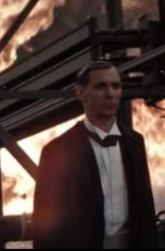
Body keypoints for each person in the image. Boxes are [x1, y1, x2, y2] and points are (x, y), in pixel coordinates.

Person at [33, 61, 158, 249]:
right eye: (101, 86)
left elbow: (146, 207)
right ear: (80, 93)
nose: (110, 94)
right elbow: (43, 226)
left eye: (115, 86)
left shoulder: (135, 142)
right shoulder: (56, 150)